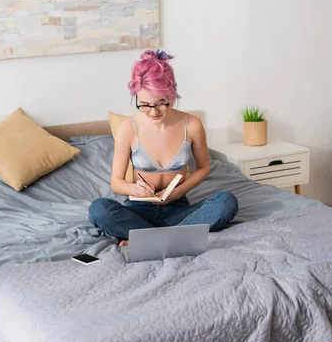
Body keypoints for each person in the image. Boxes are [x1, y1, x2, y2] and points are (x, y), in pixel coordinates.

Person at [89, 49, 239, 246]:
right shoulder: (128, 128)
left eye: (161, 103)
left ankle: (146, 238)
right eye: (144, 104)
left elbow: (204, 168)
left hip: (178, 208)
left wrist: (178, 192)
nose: (153, 111)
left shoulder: (191, 125)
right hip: (138, 210)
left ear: (172, 94)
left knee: (227, 201)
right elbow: (116, 182)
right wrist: (134, 188)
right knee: (98, 209)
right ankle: (174, 237)